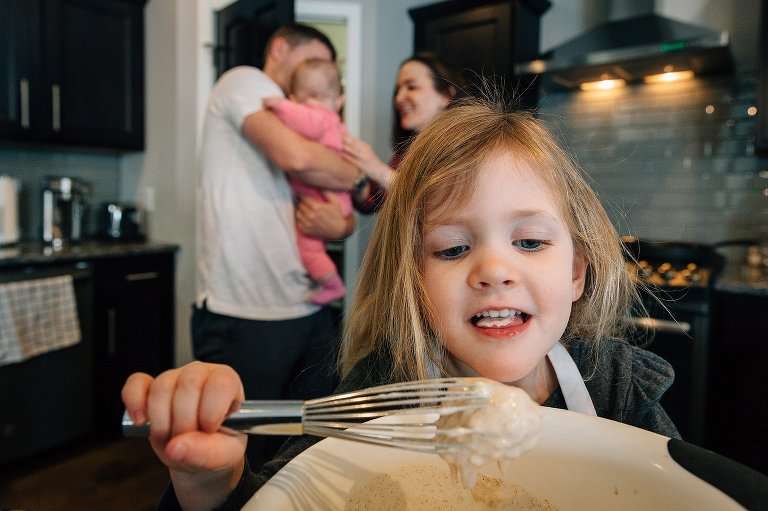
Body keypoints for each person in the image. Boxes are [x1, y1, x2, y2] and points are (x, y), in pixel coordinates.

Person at [123, 95, 679, 510]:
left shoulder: (620, 390)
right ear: (414, 281)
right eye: (453, 248)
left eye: (530, 241)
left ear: (578, 271)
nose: (493, 270)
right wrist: (209, 483)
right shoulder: (375, 399)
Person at [193, 23, 359, 467]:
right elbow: (303, 160)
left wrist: (342, 224)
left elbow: (341, 207)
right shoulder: (247, 81)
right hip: (248, 312)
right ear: (280, 48)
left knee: (305, 449)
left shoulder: (305, 114)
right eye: (311, 59)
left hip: (308, 307)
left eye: (326, 67)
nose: (315, 73)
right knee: (238, 457)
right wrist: (349, 173)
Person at [263, 58, 352, 305]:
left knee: (308, 249)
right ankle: (320, 278)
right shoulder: (336, 123)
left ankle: (332, 285)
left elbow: (304, 122)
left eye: (299, 98)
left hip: (321, 197)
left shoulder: (318, 117)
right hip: (331, 199)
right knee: (313, 249)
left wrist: (280, 105)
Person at [343, 52, 466, 213]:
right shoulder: (406, 151)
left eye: (412, 87)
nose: (399, 98)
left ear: (446, 96)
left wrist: (377, 169)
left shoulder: (464, 147)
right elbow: (370, 203)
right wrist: (360, 173)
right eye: (398, 90)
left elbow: (434, 204)